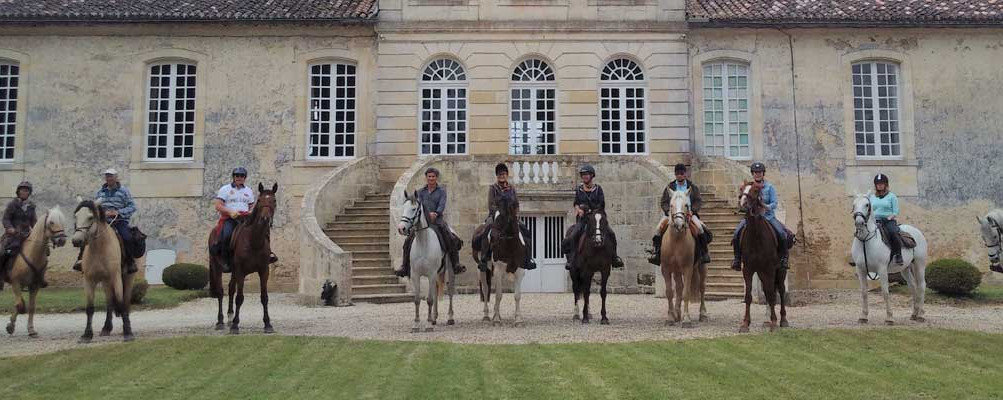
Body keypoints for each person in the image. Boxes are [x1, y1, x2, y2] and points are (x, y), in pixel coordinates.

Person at [396, 168, 466, 278]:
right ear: (426, 178)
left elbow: (442, 204)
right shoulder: (420, 192)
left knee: (451, 238)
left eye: (433, 176)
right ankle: (404, 266)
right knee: (407, 241)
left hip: (437, 221)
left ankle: (456, 264)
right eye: (429, 176)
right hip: (423, 222)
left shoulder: (441, 191)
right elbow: (416, 205)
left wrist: (436, 213)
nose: (431, 178)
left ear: (436, 178)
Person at [211, 167, 279, 273]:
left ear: (245, 178)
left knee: (263, 230)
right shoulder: (225, 189)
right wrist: (229, 211)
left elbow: (252, 205)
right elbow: (218, 205)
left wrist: (251, 212)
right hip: (231, 218)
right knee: (227, 234)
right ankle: (225, 260)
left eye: (242, 176)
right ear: (233, 177)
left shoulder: (248, 191)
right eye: (237, 175)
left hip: (246, 218)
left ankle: (268, 253)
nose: (239, 178)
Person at [731, 162, 794, 271]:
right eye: (755, 172)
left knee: (782, 234)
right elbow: (743, 200)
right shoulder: (748, 187)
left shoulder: (770, 187)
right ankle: (737, 259)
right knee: (736, 233)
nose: (757, 174)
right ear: (752, 174)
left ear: (763, 173)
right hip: (752, 218)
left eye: (759, 172)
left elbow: (774, 203)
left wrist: (766, 206)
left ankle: (784, 259)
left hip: (768, 217)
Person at [73, 169, 138, 273]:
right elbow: (95, 207)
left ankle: (130, 262)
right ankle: (80, 260)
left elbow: (132, 207)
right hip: (102, 221)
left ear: (116, 178)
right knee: (87, 234)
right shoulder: (100, 192)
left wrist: (118, 212)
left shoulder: (124, 191)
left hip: (119, 221)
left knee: (127, 237)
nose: (109, 178)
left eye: (111, 176)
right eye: (107, 176)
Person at [562, 164, 625, 270]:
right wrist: (578, 210)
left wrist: (589, 210)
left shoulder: (598, 189)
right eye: (583, 175)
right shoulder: (579, 189)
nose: (585, 177)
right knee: (573, 236)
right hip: (583, 220)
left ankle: (614, 257)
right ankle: (571, 259)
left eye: (587, 174)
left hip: (597, 219)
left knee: (611, 233)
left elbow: (601, 204)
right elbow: (576, 203)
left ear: (592, 176)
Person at [475, 163, 537, 271]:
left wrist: (515, 214)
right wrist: (499, 213)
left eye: (503, 174)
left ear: (507, 175)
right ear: (497, 176)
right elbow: (491, 205)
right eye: (499, 174)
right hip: (497, 216)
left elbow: (516, 204)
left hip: (511, 216)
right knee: (487, 230)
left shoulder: (512, 188)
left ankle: (528, 258)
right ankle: (484, 258)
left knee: (525, 231)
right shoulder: (493, 188)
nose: (501, 176)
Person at [648, 164, 712, 265]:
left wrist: (692, 211)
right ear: (675, 174)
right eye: (677, 174)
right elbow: (664, 201)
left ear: (685, 174)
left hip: (689, 214)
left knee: (700, 228)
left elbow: (698, 201)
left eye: (681, 173)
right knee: (658, 228)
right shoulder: (670, 187)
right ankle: (656, 253)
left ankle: (704, 253)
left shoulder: (692, 187)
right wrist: (668, 211)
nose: (679, 176)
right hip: (672, 214)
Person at [0, 181, 38, 288]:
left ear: (29, 193)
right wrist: (10, 228)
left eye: (26, 190)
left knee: (42, 250)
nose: (24, 192)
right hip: (13, 236)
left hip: (27, 235)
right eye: (22, 190)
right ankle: (1, 277)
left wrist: (36, 231)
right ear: (18, 191)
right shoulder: (12, 204)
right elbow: (6, 219)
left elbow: (34, 221)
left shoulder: (31, 206)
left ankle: (39, 277)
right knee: (2, 253)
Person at [871, 173, 904, 265]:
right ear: (876, 185)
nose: (880, 185)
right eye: (878, 184)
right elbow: (870, 210)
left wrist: (890, 217)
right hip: (875, 221)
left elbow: (896, 211)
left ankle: (898, 254)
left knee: (893, 232)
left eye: (882, 183)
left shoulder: (891, 196)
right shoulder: (872, 197)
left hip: (888, 221)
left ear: (886, 185)